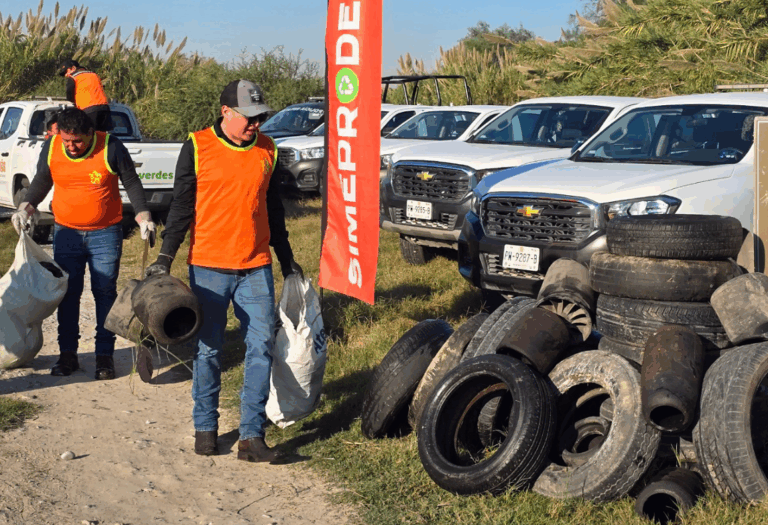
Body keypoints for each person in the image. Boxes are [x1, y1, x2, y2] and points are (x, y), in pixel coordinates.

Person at [145, 79, 302, 463]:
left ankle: (251, 436)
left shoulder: (268, 149)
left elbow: (274, 209)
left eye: (260, 117)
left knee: (261, 346)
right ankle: (206, 428)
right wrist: (165, 257)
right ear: (225, 112)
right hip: (209, 268)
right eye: (248, 118)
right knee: (208, 349)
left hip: (255, 267)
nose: (255, 125)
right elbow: (182, 207)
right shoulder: (197, 147)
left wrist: (285, 257)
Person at [11, 107, 156, 380]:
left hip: (106, 233)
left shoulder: (111, 146)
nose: (71, 146)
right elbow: (43, 179)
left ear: (91, 134)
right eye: (67, 140)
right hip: (66, 233)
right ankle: (67, 355)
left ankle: (104, 357)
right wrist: (26, 207)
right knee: (68, 294)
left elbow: (131, 182)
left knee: (104, 294)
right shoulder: (53, 146)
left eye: (77, 141)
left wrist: (143, 216)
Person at [58, 59, 111, 132]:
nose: (66, 75)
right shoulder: (94, 75)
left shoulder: (73, 77)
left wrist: (74, 103)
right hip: (104, 108)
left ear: (73, 68)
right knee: (102, 135)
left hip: (89, 109)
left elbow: (69, 95)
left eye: (66, 72)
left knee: (89, 135)